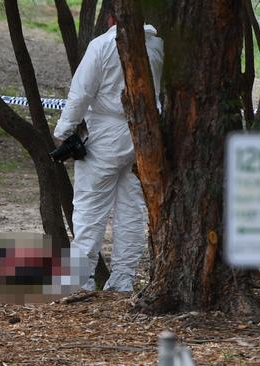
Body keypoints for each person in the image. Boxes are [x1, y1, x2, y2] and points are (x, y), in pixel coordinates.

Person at [53, 15, 164, 292]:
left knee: (90, 209)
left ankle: (81, 281)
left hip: (103, 135)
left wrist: (64, 132)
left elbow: (81, 93)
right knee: (132, 210)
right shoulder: (157, 47)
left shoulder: (102, 45)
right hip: (145, 135)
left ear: (112, 17)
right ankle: (123, 281)